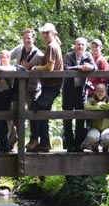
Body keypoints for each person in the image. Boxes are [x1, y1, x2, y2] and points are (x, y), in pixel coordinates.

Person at [26, 23, 63, 153]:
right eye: (44, 33)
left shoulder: (52, 46)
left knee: (34, 109)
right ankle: (45, 143)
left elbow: (50, 67)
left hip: (52, 86)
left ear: (53, 33)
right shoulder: (52, 45)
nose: (45, 35)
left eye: (48, 33)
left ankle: (35, 140)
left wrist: (35, 68)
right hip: (50, 85)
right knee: (43, 114)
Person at [8, 29, 44, 150]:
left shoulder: (39, 54)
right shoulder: (19, 49)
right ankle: (15, 138)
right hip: (18, 86)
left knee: (32, 114)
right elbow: (8, 55)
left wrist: (31, 69)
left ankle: (33, 140)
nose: (27, 40)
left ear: (33, 39)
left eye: (29, 38)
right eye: (25, 38)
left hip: (32, 88)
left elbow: (43, 70)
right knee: (15, 113)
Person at [62, 37, 97, 152]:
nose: (80, 47)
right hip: (68, 91)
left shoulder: (88, 56)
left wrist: (90, 67)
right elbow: (66, 68)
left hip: (81, 91)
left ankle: (78, 144)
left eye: (82, 44)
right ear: (75, 46)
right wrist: (81, 68)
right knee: (67, 119)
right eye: (78, 44)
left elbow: (94, 67)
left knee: (80, 119)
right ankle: (69, 144)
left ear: (85, 46)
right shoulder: (69, 56)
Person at [0, 50, 16, 153]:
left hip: (6, 97)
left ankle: (5, 145)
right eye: (0, 57)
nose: (2, 59)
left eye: (4, 57)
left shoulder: (12, 68)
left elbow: (10, 70)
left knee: (4, 122)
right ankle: (2, 145)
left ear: (9, 58)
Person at [84, 84, 109, 152]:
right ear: (95, 92)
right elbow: (87, 107)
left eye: (102, 91)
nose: (100, 93)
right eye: (98, 91)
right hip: (94, 127)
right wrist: (99, 106)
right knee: (92, 137)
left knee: (107, 138)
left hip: (107, 128)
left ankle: (105, 147)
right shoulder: (92, 100)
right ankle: (94, 148)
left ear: (106, 92)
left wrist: (100, 105)